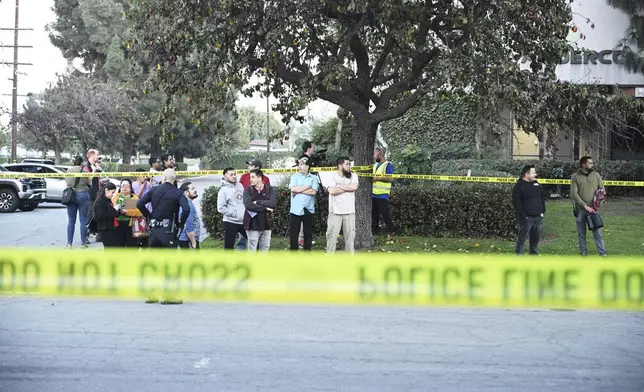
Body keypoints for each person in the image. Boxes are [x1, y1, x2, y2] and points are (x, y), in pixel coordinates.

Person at [136, 168, 191, 249]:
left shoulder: (154, 189)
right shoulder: (178, 193)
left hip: (154, 230)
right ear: (174, 179)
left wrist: (149, 216)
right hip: (169, 231)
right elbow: (186, 209)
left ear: (164, 178)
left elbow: (139, 204)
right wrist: (181, 225)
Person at [571, 156, 607, 256]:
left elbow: (602, 191)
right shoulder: (575, 177)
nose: (592, 165)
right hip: (581, 210)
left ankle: (602, 253)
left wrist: (599, 203)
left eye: (592, 163)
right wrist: (585, 206)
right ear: (583, 164)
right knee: (581, 233)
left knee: (598, 233)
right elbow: (574, 194)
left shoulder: (596, 175)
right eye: (590, 163)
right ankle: (583, 253)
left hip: (594, 210)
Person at [325, 157, 359, 253]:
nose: (349, 166)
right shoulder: (331, 176)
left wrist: (338, 186)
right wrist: (347, 188)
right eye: (347, 164)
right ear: (340, 166)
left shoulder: (354, 175)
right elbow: (332, 190)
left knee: (350, 237)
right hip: (335, 212)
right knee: (331, 236)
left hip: (350, 211)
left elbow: (354, 187)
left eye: (349, 164)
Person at [512, 165, 546, 255]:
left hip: (538, 216)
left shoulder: (537, 184)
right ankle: (519, 255)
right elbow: (517, 202)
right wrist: (523, 215)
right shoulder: (519, 186)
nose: (535, 174)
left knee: (535, 237)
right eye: (533, 173)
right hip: (526, 217)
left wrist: (542, 211)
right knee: (522, 238)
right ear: (526, 174)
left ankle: (533, 254)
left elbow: (542, 197)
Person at [237, 159, 269, 250]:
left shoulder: (265, 179)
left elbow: (267, 194)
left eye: (251, 166)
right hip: (246, 209)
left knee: (258, 234)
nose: (248, 167)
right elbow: (240, 191)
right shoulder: (243, 177)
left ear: (257, 168)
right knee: (243, 234)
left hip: (258, 211)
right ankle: (241, 251)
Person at [288, 157, 319, 251]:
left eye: (302, 164)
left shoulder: (314, 178)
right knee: (294, 233)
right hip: (295, 209)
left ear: (307, 166)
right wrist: (307, 187)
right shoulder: (294, 177)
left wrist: (299, 190)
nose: (299, 166)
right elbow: (293, 189)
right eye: (299, 164)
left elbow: (313, 192)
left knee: (308, 234)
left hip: (308, 209)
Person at [243, 169, 276, 252]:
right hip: (252, 224)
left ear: (260, 178)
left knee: (265, 249)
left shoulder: (270, 189)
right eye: (250, 177)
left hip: (266, 224)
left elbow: (273, 204)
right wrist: (265, 208)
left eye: (253, 177)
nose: (250, 179)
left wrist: (257, 202)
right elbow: (249, 205)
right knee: (252, 250)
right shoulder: (247, 190)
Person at [217, 168, 247, 249]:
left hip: (243, 221)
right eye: (231, 175)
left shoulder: (240, 186)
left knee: (254, 241)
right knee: (229, 246)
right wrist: (234, 214)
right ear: (225, 176)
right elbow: (220, 208)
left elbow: (243, 201)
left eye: (235, 174)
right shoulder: (223, 190)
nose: (234, 176)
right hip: (230, 222)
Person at [65, 155, 90, 249]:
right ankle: (83, 243)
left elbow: (67, 183)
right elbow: (89, 182)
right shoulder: (84, 171)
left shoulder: (68, 171)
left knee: (71, 220)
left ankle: (69, 244)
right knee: (83, 220)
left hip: (71, 196)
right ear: (82, 162)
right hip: (83, 195)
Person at [93, 182, 129, 248]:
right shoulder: (100, 201)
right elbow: (101, 216)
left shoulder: (108, 200)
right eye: (112, 192)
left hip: (114, 227)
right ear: (106, 190)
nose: (113, 195)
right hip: (105, 229)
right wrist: (115, 210)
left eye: (127, 187)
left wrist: (118, 210)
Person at [111, 179, 143, 247]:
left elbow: (139, 212)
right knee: (119, 246)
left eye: (126, 186)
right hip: (117, 225)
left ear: (130, 188)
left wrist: (127, 212)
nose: (124, 187)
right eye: (123, 186)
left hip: (130, 225)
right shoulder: (116, 196)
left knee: (131, 246)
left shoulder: (134, 198)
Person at [372, 147, 394, 237]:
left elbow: (390, 178)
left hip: (383, 195)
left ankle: (390, 233)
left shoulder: (388, 165)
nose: (373, 156)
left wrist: (377, 178)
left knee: (385, 214)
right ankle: (374, 233)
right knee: (374, 214)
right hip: (373, 194)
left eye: (375, 154)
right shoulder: (374, 165)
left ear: (380, 154)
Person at [84, 149, 102, 242]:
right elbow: (88, 180)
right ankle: (85, 236)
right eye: (97, 155)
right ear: (91, 155)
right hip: (90, 194)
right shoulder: (86, 167)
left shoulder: (95, 166)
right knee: (89, 215)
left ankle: (98, 234)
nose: (99, 157)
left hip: (97, 193)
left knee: (97, 214)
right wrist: (95, 169)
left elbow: (98, 179)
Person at [178, 182, 201, 249]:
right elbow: (189, 225)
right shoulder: (188, 205)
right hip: (188, 240)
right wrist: (194, 243)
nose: (195, 190)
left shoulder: (186, 203)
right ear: (186, 193)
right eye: (192, 189)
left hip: (185, 239)